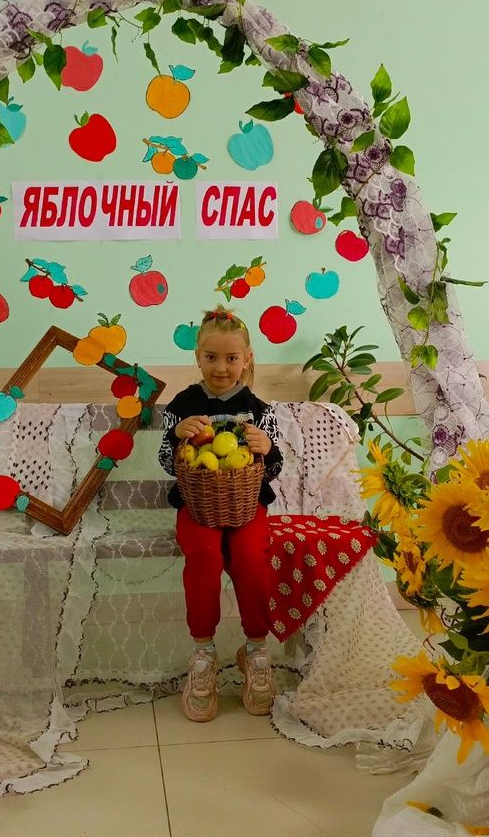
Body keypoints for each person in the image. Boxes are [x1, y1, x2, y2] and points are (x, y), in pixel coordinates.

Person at [158, 307, 283, 722]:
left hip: (247, 506)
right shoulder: (182, 406)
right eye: (211, 357)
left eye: (231, 358)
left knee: (250, 559)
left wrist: (267, 448)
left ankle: (256, 650)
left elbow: (276, 467)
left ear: (246, 359)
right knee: (205, 556)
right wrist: (177, 437)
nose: (221, 367)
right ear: (197, 358)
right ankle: (203, 651)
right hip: (197, 505)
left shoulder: (259, 409)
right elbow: (165, 461)